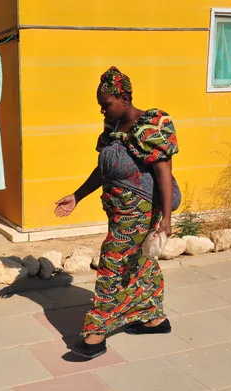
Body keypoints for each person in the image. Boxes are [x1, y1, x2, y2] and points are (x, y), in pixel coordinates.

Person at [54, 66, 181, 359]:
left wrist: (166, 219)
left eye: (107, 104)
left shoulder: (150, 125)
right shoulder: (112, 130)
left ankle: (95, 335)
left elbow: (164, 172)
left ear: (124, 98)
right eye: (100, 106)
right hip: (118, 212)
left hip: (139, 212)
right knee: (140, 263)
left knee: (112, 264)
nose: (103, 111)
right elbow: (104, 170)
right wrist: (77, 196)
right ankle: (154, 318)